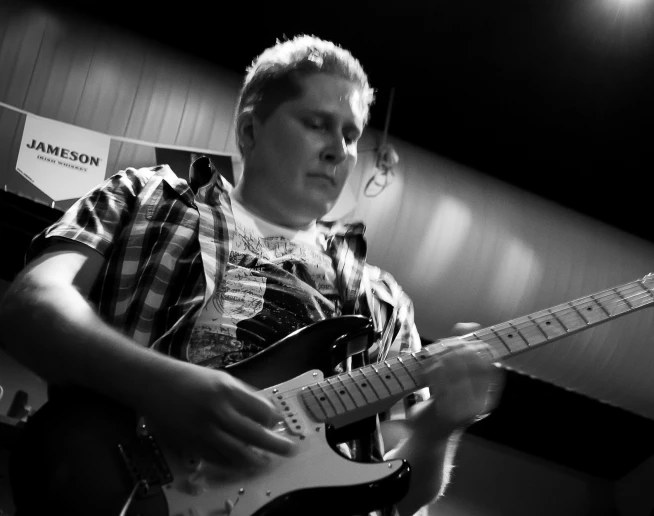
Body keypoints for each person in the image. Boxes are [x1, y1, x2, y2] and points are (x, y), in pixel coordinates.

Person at [0, 35, 504, 516]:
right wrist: (159, 386)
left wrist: (440, 427)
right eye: (318, 124)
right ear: (249, 130)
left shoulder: (382, 301)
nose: (340, 150)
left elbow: (398, 493)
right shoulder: (145, 195)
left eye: (351, 135)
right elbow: (30, 305)